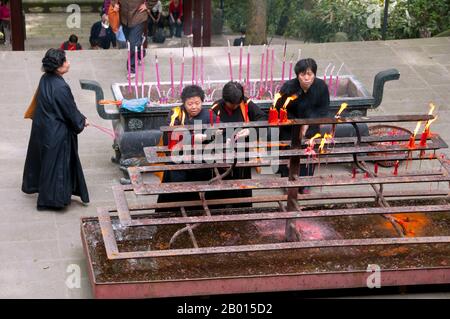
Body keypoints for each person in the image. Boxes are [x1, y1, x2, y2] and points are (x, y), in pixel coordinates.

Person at [22, 48, 90, 210]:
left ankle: (50, 196)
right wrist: (81, 121)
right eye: (65, 61)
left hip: (44, 128)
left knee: (48, 164)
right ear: (58, 67)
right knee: (57, 167)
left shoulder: (45, 78)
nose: (68, 63)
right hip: (57, 132)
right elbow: (69, 110)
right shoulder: (60, 87)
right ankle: (53, 200)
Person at [156, 85, 216, 211]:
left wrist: (210, 136)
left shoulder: (209, 115)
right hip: (178, 160)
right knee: (176, 192)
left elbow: (215, 136)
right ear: (184, 103)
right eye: (190, 104)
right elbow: (170, 138)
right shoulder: (176, 114)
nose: (194, 107)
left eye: (197, 103)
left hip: (201, 162)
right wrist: (193, 139)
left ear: (202, 102)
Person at [276, 58, 330, 193]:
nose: (306, 78)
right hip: (290, 127)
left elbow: (323, 109)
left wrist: (308, 122)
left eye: (310, 74)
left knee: (308, 152)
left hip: (311, 126)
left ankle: (305, 182)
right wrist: (297, 124)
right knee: (289, 153)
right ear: (297, 75)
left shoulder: (321, 87)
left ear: (314, 75)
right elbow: (280, 110)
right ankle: (288, 182)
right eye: (302, 74)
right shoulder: (288, 88)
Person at [210, 81, 267, 208]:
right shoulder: (216, 108)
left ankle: (243, 209)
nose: (235, 106)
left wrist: (251, 129)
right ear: (225, 100)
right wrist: (223, 139)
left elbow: (263, 118)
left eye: (237, 104)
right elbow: (210, 129)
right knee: (222, 183)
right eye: (232, 104)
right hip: (223, 152)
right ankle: (220, 210)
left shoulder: (246, 104)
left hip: (243, 152)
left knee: (242, 184)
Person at [111, 0, 158, 77]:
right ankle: (140, 49)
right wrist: (115, 3)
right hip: (124, 17)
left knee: (132, 44)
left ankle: (131, 69)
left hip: (138, 16)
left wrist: (147, 5)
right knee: (130, 41)